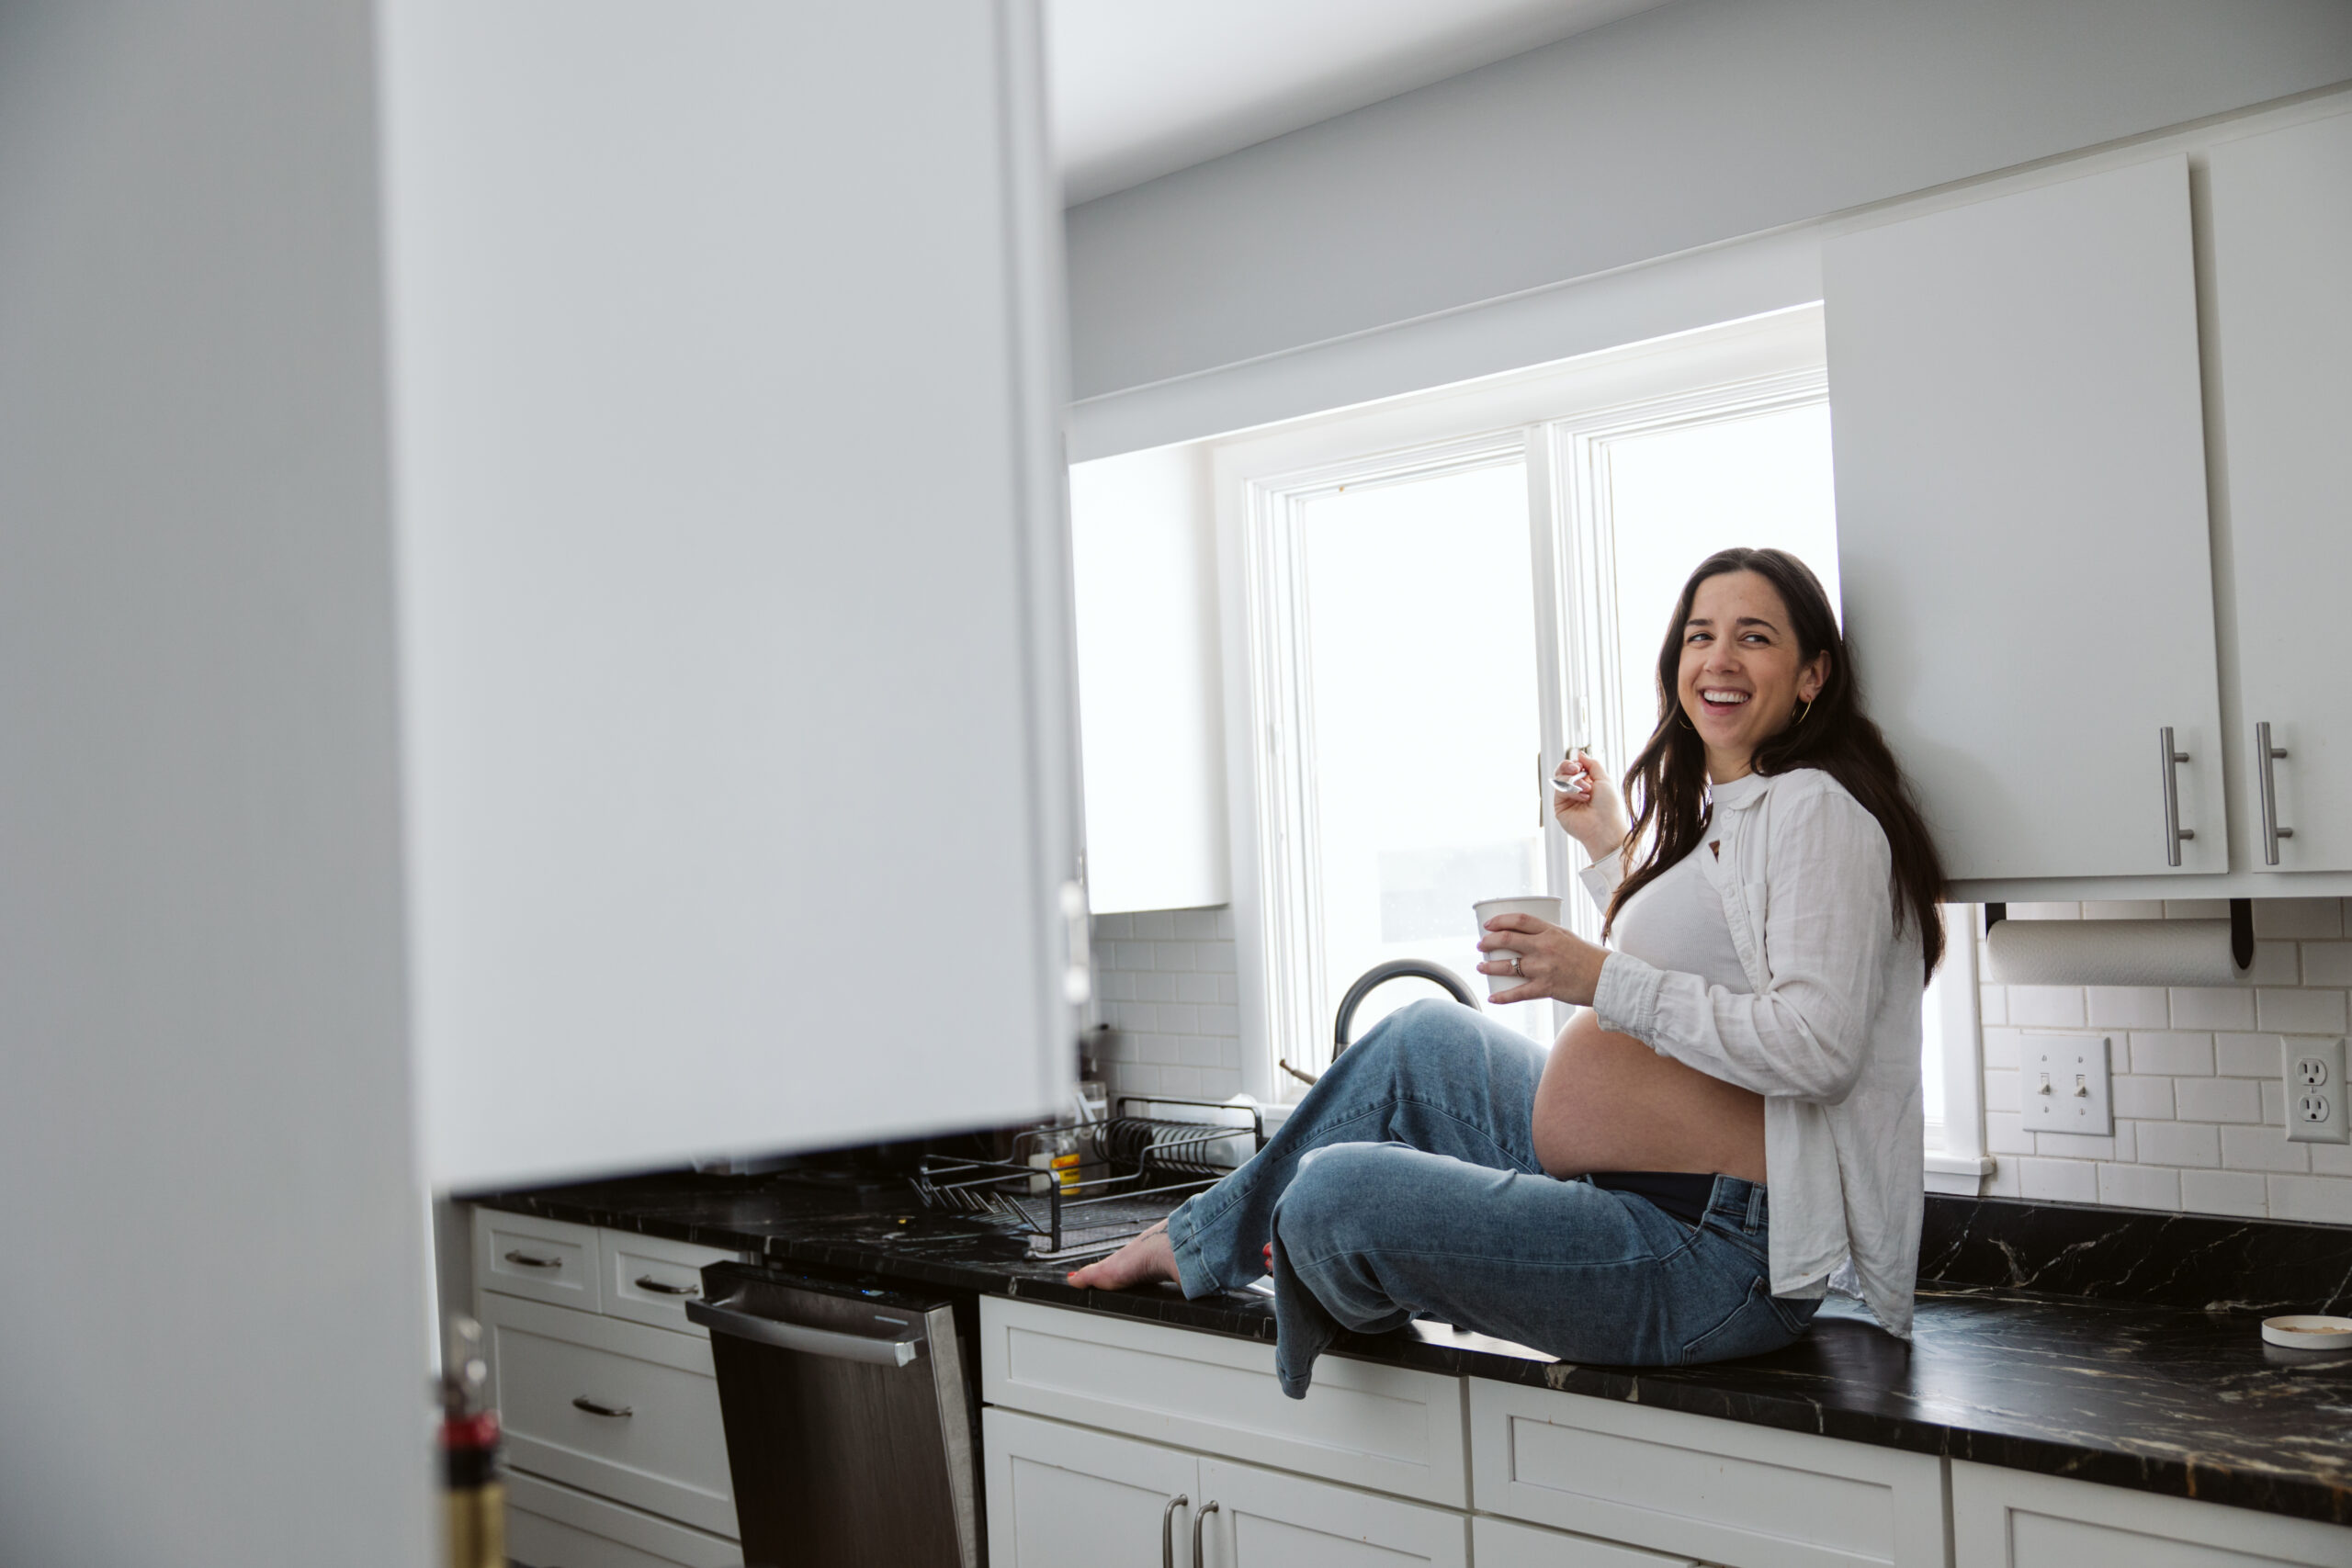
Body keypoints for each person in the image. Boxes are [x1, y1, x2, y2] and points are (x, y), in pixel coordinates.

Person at [1068, 547, 1949, 1398]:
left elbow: (1816, 1047)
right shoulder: (1735, 805)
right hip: (1651, 1193)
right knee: (1421, 1036)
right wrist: (1610, 845)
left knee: (1332, 1191)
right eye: (1699, 634)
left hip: (1719, 1257)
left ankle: (1348, 1263)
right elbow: (1708, 960)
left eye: (1754, 636)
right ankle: (1211, 1240)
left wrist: (1596, 977)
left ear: (1812, 675)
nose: (1718, 657)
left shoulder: (1819, 811)